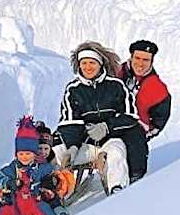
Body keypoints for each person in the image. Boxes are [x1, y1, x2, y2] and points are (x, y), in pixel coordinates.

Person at [52, 41, 142, 193]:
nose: (88, 67)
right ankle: (47, 194)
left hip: (110, 139)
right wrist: (73, 146)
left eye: (92, 62)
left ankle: (117, 190)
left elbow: (131, 116)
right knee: (55, 155)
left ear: (100, 64)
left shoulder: (116, 86)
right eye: (84, 63)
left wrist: (107, 127)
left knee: (116, 153)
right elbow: (69, 122)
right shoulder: (73, 89)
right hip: (84, 144)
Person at [117, 39, 172, 182]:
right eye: (138, 58)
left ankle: (136, 180)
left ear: (152, 61)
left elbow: (160, 119)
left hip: (134, 128)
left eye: (146, 60)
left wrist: (145, 132)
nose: (140, 64)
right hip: (110, 120)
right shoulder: (116, 72)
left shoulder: (157, 88)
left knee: (136, 144)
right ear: (131, 57)